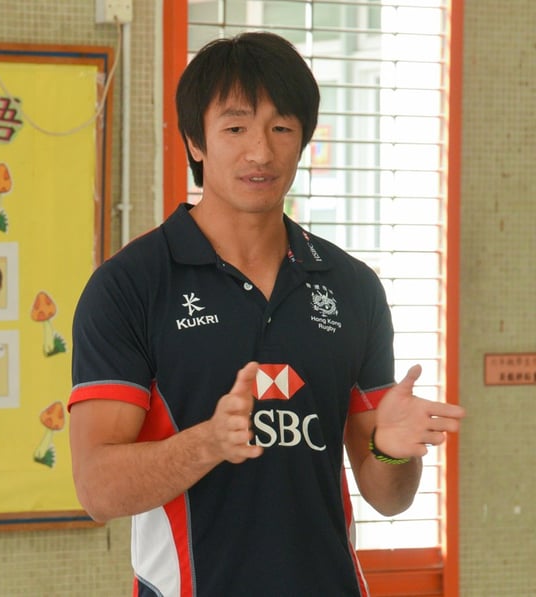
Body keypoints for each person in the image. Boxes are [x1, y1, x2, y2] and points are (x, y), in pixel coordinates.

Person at [67, 32, 466, 597]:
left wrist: (389, 449)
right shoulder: (130, 285)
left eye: (281, 128)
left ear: (303, 140)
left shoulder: (352, 287)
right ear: (195, 141)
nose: (261, 152)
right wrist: (209, 442)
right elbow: (98, 491)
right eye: (235, 128)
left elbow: (388, 496)